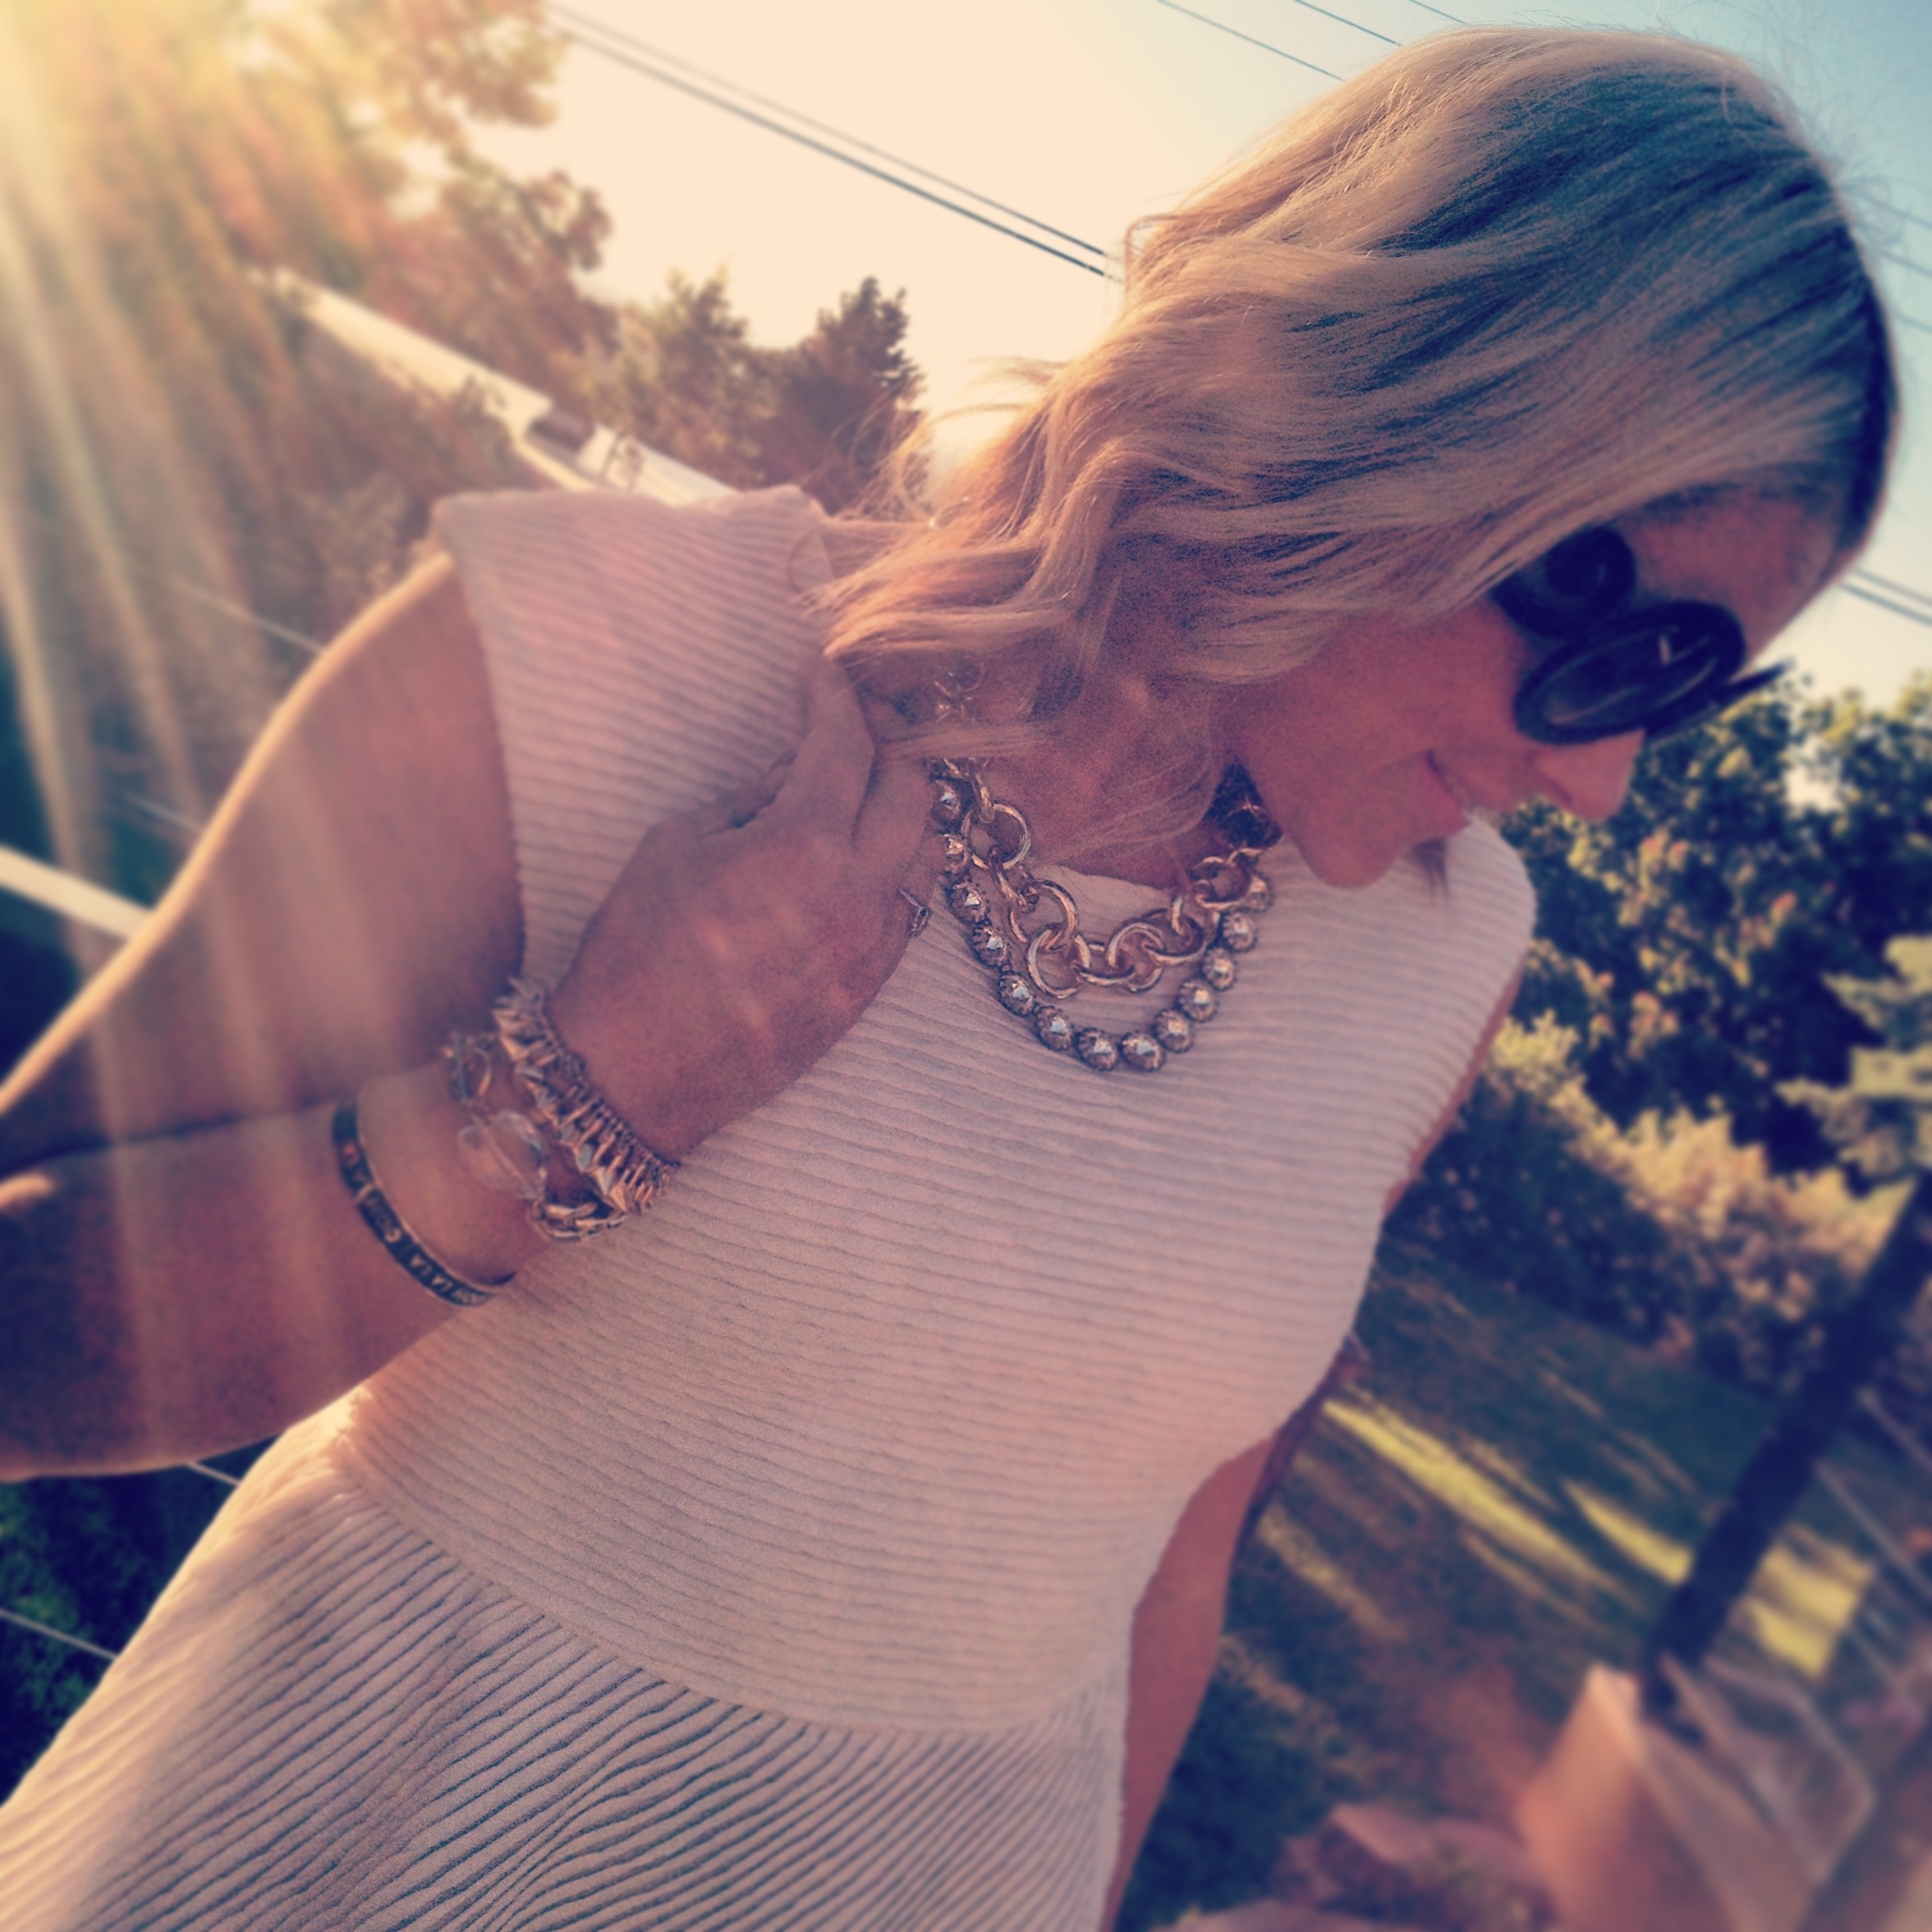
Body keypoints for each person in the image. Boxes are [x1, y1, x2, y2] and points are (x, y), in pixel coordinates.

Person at [0, 25, 1894, 1931]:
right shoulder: (587, 653)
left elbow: (1173, 1558)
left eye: (1697, 696)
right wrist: (575, 1100)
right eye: (1624, 656)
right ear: (1394, 421)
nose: (1605, 781)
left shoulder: (1442, 956)